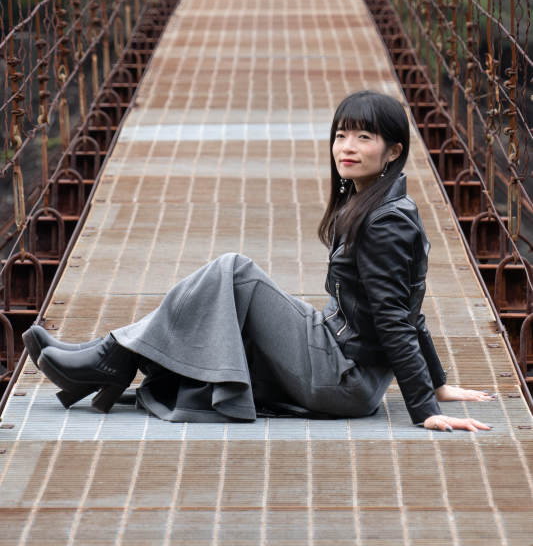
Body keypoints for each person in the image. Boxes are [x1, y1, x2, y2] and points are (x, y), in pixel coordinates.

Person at [23, 90, 495, 431]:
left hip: (343, 379)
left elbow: (396, 315)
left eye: (364, 137)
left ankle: (111, 356)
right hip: (340, 358)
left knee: (234, 271)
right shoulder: (378, 204)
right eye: (341, 135)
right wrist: (438, 382)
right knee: (231, 291)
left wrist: (425, 407)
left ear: (393, 151)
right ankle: (111, 356)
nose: (347, 147)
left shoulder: (385, 222)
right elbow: (410, 307)